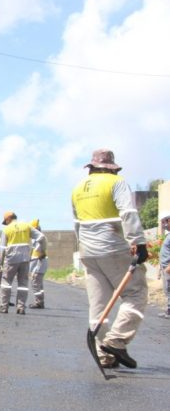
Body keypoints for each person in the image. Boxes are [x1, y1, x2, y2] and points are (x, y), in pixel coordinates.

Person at [72, 149, 148, 369]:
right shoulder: (116, 182)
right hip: (113, 248)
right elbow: (128, 213)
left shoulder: (77, 189)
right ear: (111, 167)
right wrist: (139, 242)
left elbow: (77, 223)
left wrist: (84, 249)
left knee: (98, 305)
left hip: (88, 252)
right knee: (136, 293)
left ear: (92, 167)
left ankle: (105, 356)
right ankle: (117, 340)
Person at [0, 211, 46, 315]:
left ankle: (3, 307)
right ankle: (20, 307)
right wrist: (43, 251)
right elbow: (42, 237)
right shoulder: (26, 226)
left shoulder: (6, 229)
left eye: (5, 222)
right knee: (23, 284)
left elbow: (2, 249)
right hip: (25, 260)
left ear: (8, 220)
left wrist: (1, 264)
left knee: (6, 283)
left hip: (11, 260)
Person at [28, 219, 48, 309]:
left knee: (35, 282)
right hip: (37, 262)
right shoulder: (35, 239)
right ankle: (40, 301)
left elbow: (40, 252)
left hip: (39, 262)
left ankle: (39, 302)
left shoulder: (40, 238)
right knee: (38, 283)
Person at [159, 219, 170, 319]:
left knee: (169, 289)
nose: (165, 224)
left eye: (167, 221)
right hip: (165, 267)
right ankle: (168, 310)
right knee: (167, 290)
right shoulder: (168, 235)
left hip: (168, 268)